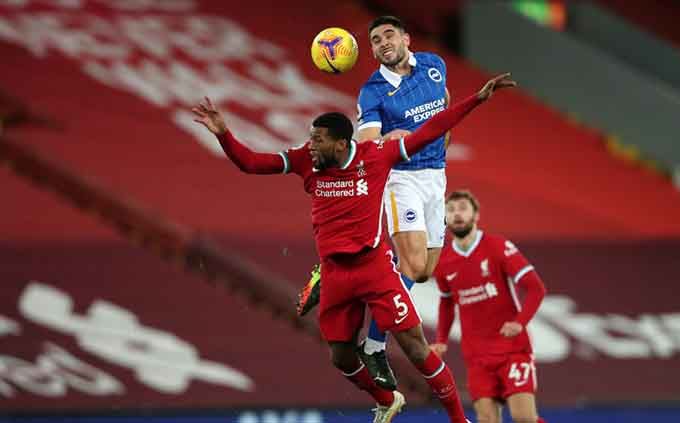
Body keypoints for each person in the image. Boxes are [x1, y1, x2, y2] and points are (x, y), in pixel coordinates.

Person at [193, 74, 516, 423]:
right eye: (310, 139)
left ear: (341, 143)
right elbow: (252, 163)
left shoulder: (376, 155)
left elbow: (431, 130)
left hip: (373, 267)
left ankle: (458, 419)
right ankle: (386, 399)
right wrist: (223, 133)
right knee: (341, 356)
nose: (310, 146)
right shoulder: (306, 160)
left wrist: (476, 99)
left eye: (318, 140)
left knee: (414, 346)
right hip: (335, 272)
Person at [296, 15, 453, 391]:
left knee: (424, 270)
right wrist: (391, 140)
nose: (382, 43)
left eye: (388, 35)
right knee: (412, 266)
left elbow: (445, 105)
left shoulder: (434, 65)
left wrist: (440, 143)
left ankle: (330, 278)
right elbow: (368, 141)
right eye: (375, 40)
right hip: (403, 180)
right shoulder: (373, 92)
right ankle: (374, 345)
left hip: (436, 175)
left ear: (406, 38)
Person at [429, 191, 547, 423]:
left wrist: (519, 323)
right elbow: (446, 301)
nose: (457, 214)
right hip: (477, 356)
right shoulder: (443, 261)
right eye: (451, 210)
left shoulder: (497, 246)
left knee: (524, 419)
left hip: (512, 350)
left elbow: (536, 288)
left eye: (462, 208)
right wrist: (441, 340)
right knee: (487, 420)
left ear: (476, 214)